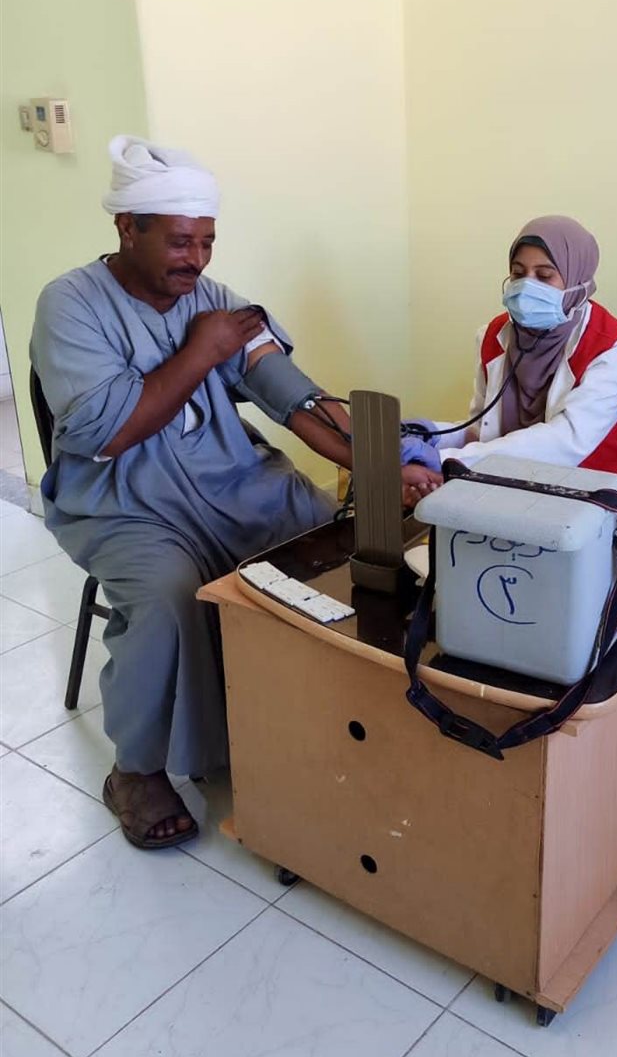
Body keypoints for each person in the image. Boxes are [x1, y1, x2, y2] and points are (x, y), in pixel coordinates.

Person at [30, 135, 407, 851]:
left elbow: (294, 399)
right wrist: (202, 349)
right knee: (168, 592)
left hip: (229, 479)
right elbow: (110, 433)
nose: (196, 261)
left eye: (206, 242)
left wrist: (386, 461)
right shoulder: (70, 304)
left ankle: (311, 712)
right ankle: (137, 771)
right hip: (121, 499)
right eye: (180, 242)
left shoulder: (215, 301)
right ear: (127, 227)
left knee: (331, 538)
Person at [400, 216, 617, 518]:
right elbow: (482, 431)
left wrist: (446, 461)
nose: (526, 286)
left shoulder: (615, 350)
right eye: (518, 273)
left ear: (578, 280)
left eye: (544, 275)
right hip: (515, 494)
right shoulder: (494, 336)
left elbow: (564, 443)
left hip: (598, 500)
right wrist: (430, 434)